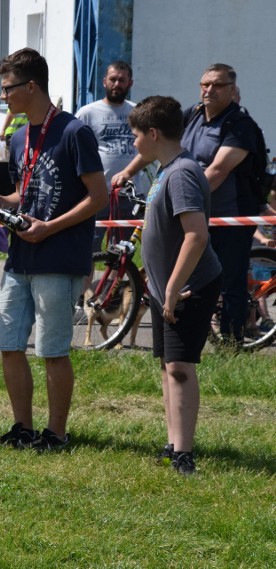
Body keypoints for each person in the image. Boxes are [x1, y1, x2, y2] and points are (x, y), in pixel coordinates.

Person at [0, 48, 107, 450]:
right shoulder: (18, 138)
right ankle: (23, 427)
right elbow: (25, 192)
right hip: (20, 257)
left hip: (59, 258)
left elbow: (98, 196)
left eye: (7, 88)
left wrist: (50, 228)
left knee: (51, 350)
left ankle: (57, 433)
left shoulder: (73, 132)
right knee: (9, 345)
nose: (3, 97)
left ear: (31, 86)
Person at [113, 64, 259, 346]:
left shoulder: (240, 126)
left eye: (216, 85)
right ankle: (194, 336)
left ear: (232, 90)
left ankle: (231, 343)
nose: (208, 90)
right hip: (188, 212)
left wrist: (179, 194)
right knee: (188, 275)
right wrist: (128, 172)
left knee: (230, 280)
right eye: (204, 84)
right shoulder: (191, 115)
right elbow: (155, 139)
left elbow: (217, 171)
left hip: (229, 214)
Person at [128, 95, 222, 476]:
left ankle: (184, 454)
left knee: (181, 367)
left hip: (187, 287)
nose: (134, 143)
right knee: (168, 366)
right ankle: (172, 443)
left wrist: (171, 288)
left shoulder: (181, 173)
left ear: (152, 133)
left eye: (135, 135)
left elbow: (195, 236)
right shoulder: (167, 169)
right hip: (167, 287)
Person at [75, 61, 144, 252]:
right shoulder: (87, 113)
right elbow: (75, 151)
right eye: (113, 79)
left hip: (130, 195)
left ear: (130, 83)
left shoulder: (137, 112)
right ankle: (87, 283)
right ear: (104, 82)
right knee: (89, 249)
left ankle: (114, 283)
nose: (117, 84)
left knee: (122, 251)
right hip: (97, 194)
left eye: (122, 80)